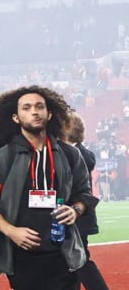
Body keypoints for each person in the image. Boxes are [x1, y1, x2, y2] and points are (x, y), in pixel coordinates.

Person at [0, 85, 97, 290]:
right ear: (16, 118)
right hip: (22, 257)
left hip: (63, 254)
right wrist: (12, 231)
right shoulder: (3, 158)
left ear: (49, 114)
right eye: (26, 107)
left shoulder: (70, 155)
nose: (34, 111)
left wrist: (75, 210)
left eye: (39, 106)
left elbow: (84, 194)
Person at [64, 112, 110, 290]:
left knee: (80, 260)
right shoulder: (83, 152)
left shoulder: (77, 154)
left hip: (78, 216)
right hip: (77, 216)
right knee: (71, 260)